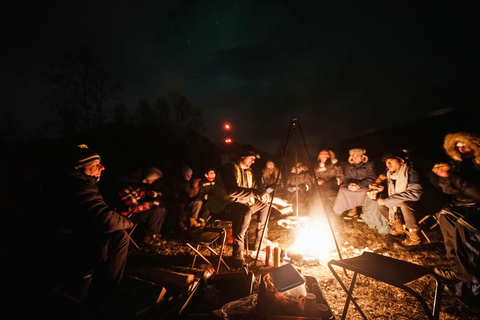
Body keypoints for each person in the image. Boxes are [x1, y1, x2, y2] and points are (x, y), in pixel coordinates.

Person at [57, 144, 133, 301]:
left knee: (116, 235)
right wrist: (128, 222)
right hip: (64, 240)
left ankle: (96, 288)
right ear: (79, 167)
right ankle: (102, 292)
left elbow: (97, 213)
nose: (103, 167)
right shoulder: (77, 185)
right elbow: (104, 220)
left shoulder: (79, 182)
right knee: (119, 237)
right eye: (96, 164)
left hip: (74, 233)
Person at [432, 132, 480, 297]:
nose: (461, 150)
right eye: (458, 147)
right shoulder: (460, 164)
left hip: (476, 207)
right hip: (463, 204)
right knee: (444, 215)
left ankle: (472, 283)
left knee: (463, 225)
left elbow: (475, 191)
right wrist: (445, 178)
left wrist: (452, 175)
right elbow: (450, 189)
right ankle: (456, 269)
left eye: (465, 145)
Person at [207, 146, 271, 268]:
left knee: (265, 205)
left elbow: (255, 189)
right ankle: (237, 253)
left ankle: (260, 243)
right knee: (244, 211)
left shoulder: (248, 172)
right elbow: (232, 190)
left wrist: (266, 196)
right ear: (242, 156)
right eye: (251, 158)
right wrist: (254, 192)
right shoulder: (229, 168)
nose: (253, 161)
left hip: (238, 206)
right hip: (221, 207)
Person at [367, 150, 423, 248]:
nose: (388, 165)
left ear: (401, 161)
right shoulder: (390, 175)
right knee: (380, 203)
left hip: (421, 203)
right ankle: (398, 227)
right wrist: (377, 193)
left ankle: (414, 237)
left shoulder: (411, 172)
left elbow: (415, 194)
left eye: (391, 161)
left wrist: (386, 201)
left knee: (404, 204)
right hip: (401, 202)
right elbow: (389, 191)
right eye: (386, 163)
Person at [118, 167, 166, 247]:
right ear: (133, 174)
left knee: (161, 207)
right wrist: (151, 203)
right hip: (129, 215)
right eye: (139, 172)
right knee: (156, 209)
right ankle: (149, 237)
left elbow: (141, 193)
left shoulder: (134, 185)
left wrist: (153, 194)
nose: (141, 174)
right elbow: (132, 207)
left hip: (137, 211)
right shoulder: (124, 187)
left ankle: (155, 235)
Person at [333, 148, 376, 218]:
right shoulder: (349, 166)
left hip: (364, 186)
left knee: (365, 191)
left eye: (357, 156)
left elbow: (372, 178)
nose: (355, 158)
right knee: (343, 189)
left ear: (362, 157)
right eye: (353, 156)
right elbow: (346, 178)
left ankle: (364, 210)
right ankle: (353, 209)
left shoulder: (369, 165)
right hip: (352, 186)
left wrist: (359, 185)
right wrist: (349, 185)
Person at [172, 165, 203, 230]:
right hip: (180, 201)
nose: (189, 177)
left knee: (198, 202)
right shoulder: (178, 182)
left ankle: (193, 220)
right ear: (183, 174)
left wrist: (195, 187)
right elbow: (176, 194)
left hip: (188, 200)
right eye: (187, 175)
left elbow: (193, 194)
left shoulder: (190, 182)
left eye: (191, 175)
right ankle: (181, 222)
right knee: (181, 205)